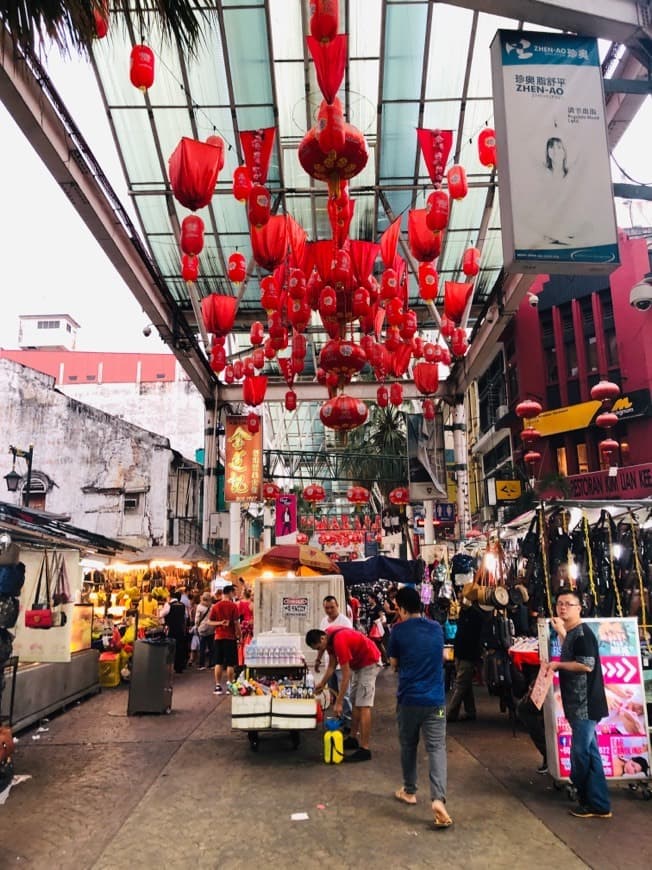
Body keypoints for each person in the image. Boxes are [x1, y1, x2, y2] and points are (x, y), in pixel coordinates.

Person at [387, 587, 453, 828]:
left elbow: (393, 663)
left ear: (402, 608)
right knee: (436, 749)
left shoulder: (398, 631)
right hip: (435, 699)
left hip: (409, 699)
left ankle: (410, 790)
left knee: (408, 746)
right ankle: (438, 799)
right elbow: (441, 654)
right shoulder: (436, 628)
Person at [549, 588, 612, 819]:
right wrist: (561, 632)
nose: (562, 607)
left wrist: (558, 666)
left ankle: (585, 798)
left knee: (580, 753)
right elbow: (573, 651)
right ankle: (599, 803)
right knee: (592, 753)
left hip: (585, 705)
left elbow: (586, 664)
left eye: (568, 604)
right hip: (577, 703)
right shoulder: (573, 633)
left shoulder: (583, 633)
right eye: (559, 604)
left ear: (579, 608)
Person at [306, 625, 380, 762]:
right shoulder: (328, 638)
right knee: (355, 701)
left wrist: (338, 702)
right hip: (359, 665)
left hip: (369, 662)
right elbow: (332, 666)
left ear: (322, 638)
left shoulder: (339, 641)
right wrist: (322, 683)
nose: (319, 651)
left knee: (364, 705)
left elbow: (346, 675)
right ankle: (353, 738)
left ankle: (365, 749)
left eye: (318, 648)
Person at [315, 595, 353, 733]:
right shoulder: (324, 621)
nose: (329, 610)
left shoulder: (345, 622)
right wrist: (318, 659)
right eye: (327, 608)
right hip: (330, 663)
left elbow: (349, 645)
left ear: (337, 606)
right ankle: (339, 718)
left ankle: (349, 723)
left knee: (345, 694)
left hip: (342, 665)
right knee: (334, 694)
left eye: (332, 607)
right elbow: (321, 644)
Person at [446, 599, 485, 722]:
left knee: (461, 684)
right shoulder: (464, 612)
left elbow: (475, 637)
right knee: (465, 684)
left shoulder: (477, 615)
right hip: (461, 653)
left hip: (468, 654)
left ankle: (451, 713)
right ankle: (470, 711)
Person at [208, 584, 241, 695]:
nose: (235, 594)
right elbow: (236, 623)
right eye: (234, 592)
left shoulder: (216, 606)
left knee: (218, 662)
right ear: (230, 592)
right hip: (230, 637)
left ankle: (217, 686)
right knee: (230, 663)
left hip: (218, 637)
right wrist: (239, 635)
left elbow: (209, 621)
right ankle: (230, 685)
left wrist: (219, 623)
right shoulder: (233, 606)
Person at [162, 591, 188, 674]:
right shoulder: (183, 605)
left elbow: (161, 614)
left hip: (171, 629)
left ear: (170, 597)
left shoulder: (168, 605)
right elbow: (186, 616)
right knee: (179, 647)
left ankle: (170, 668)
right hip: (180, 629)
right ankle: (179, 667)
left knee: (171, 648)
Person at [367, 591, 389, 665]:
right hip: (371, 629)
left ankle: (385, 659)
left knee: (379, 644)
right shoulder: (370, 608)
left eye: (369, 598)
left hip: (376, 629)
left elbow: (382, 618)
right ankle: (378, 659)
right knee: (373, 645)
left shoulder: (378, 607)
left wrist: (376, 622)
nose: (368, 600)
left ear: (373, 599)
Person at [194, 591, 214, 670]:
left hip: (202, 628)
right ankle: (211, 663)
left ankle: (202, 664)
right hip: (211, 627)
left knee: (202, 647)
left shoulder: (199, 607)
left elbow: (197, 619)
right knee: (211, 647)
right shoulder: (212, 606)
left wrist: (196, 625)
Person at [237, 587, 254, 667]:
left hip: (243, 624)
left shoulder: (239, 604)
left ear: (243, 594)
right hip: (251, 624)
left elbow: (238, 616)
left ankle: (242, 660)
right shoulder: (252, 604)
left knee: (242, 643)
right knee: (250, 642)